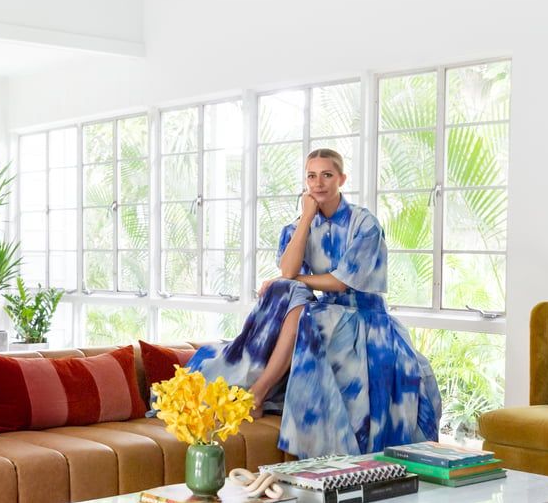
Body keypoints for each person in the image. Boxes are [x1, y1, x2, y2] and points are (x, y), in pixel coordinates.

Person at [188, 148, 441, 458]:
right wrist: (307, 218)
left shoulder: (364, 224)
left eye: (327, 175)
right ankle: (257, 393)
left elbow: (341, 281)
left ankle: (258, 393)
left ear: (342, 179)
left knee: (292, 295)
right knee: (288, 293)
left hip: (364, 318)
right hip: (325, 312)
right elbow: (288, 270)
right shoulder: (298, 227)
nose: (318, 183)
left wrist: (293, 281)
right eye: (311, 175)